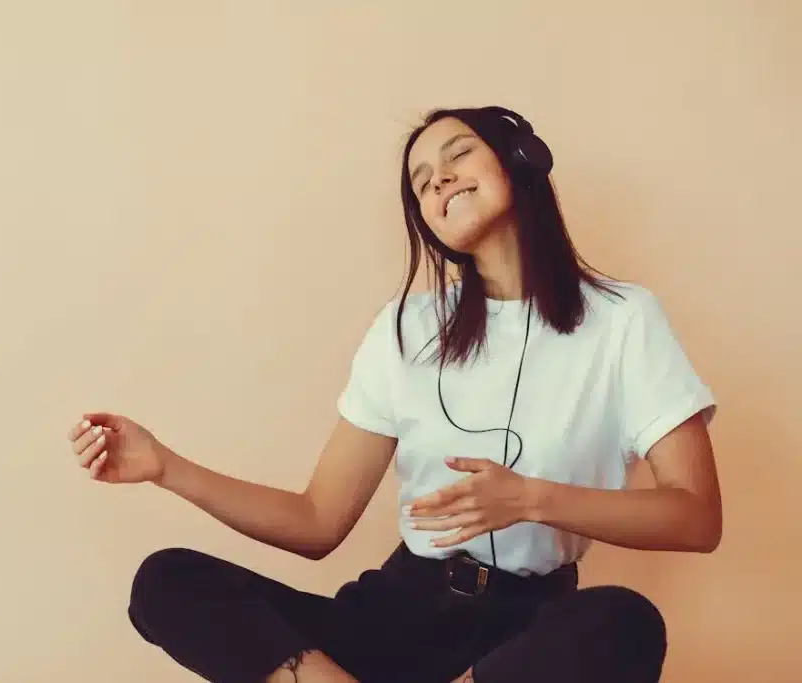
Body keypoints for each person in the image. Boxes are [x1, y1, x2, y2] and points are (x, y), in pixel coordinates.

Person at [66, 106, 722, 683]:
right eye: (420, 180)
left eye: (459, 154)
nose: (438, 179)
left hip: (528, 631)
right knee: (166, 582)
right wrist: (165, 466)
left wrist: (529, 498)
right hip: (394, 614)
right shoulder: (406, 328)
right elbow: (317, 521)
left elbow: (696, 517)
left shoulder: (625, 321)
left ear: (522, 160)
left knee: (625, 621)